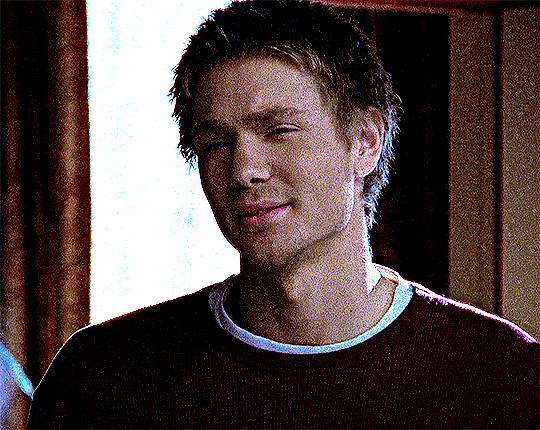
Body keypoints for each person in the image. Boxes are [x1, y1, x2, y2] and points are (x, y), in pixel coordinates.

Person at [28, 1, 538, 428]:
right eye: (217, 144)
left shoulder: (502, 376)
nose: (243, 171)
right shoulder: (100, 378)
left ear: (365, 142)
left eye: (279, 131)